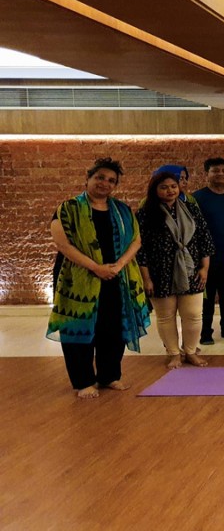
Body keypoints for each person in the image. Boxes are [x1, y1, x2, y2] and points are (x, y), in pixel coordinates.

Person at [47, 158, 150, 399]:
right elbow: (62, 244)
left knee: (113, 326)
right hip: (78, 278)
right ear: (89, 178)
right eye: (100, 177)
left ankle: (109, 375)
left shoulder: (122, 210)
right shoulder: (69, 208)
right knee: (79, 328)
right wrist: (96, 268)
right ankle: (83, 381)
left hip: (117, 277)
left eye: (111, 180)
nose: (105, 183)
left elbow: (136, 241)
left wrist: (117, 266)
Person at [137, 171, 215, 369]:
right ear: (155, 190)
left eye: (173, 186)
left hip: (191, 270)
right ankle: (173, 354)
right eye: (163, 187)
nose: (170, 190)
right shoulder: (146, 213)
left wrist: (204, 268)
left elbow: (204, 239)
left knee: (194, 315)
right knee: (165, 316)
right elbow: (141, 249)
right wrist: (146, 279)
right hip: (159, 272)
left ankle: (190, 351)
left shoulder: (190, 209)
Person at [193, 157, 224, 344]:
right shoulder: (198, 198)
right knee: (206, 298)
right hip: (205, 258)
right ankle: (205, 333)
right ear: (207, 174)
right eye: (215, 170)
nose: (220, 174)